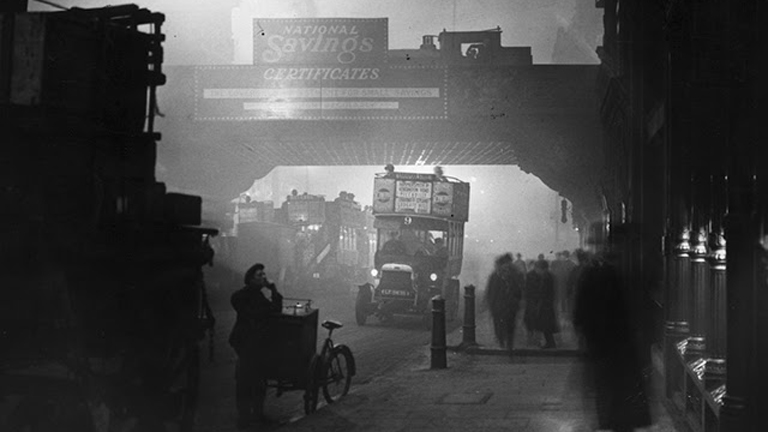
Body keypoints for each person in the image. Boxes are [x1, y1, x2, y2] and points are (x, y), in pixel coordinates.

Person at [573, 223, 651, 432]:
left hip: (612, 346)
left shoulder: (601, 269)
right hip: (611, 346)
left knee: (616, 399)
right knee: (617, 399)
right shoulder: (605, 271)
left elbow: (580, 314)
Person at [228, 263, 284, 429]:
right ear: (251, 279)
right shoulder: (244, 296)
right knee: (248, 382)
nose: (264, 277)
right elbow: (271, 310)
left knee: (256, 381)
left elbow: (274, 309)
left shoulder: (257, 296)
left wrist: (273, 290)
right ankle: (246, 418)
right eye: (260, 275)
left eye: (264, 274)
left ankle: (254, 416)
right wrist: (272, 292)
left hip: (256, 344)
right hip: (247, 344)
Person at [484, 253, 524, 354]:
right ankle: (503, 341)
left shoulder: (514, 275)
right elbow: (491, 291)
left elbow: (520, 290)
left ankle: (507, 344)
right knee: (501, 324)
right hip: (500, 305)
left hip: (508, 305)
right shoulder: (496, 276)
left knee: (507, 324)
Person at [525, 258, 559, 349]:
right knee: (545, 325)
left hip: (545, 305)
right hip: (544, 304)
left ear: (542, 269)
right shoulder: (547, 276)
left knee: (545, 325)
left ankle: (550, 343)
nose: (536, 271)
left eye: (537, 269)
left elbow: (545, 292)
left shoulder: (546, 277)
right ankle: (549, 342)